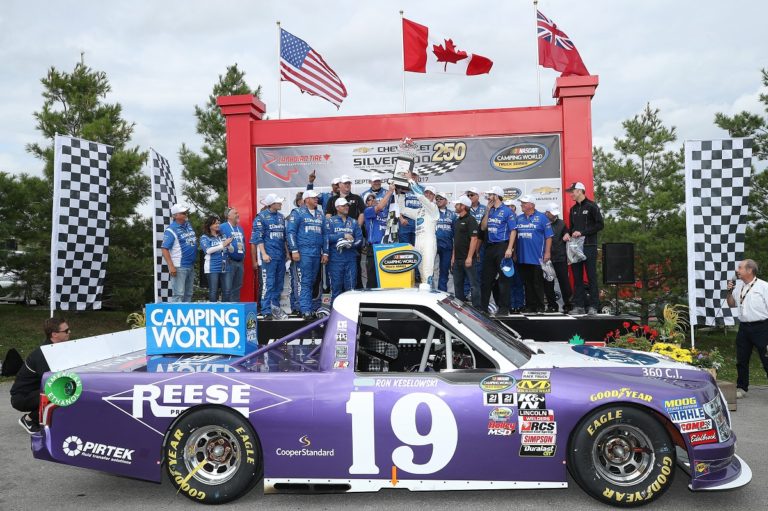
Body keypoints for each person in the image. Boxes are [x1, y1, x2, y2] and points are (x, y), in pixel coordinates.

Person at [11, 317, 71, 433]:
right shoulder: (43, 355)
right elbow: (50, 381)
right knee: (60, 390)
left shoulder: (58, 348)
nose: (69, 332)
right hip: (22, 397)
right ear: (54, 334)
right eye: (66, 331)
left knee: (65, 387)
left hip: (35, 391)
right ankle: (28, 419)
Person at [726, 259, 768, 399]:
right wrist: (729, 291)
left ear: (749, 270)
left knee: (766, 359)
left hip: (762, 327)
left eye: (740, 268)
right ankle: (742, 387)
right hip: (744, 328)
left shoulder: (763, 286)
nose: (737, 270)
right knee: (742, 359)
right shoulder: (739, 287)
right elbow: (731, 304)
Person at [564, 181, 604, 316]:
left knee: (592, 276)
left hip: (589, 246)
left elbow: (600, 225)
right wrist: (567, 234)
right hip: (576, 248)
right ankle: (579, 305)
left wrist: (583, 232)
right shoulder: (573, 209)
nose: (571, 195)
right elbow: (573, 228)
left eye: (572, 192)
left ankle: (594, 305)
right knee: (577, 277)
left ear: (580, 191)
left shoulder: (592, 206)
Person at [287, 189, 326, 319]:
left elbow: (325, 235)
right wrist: (294, 250)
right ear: (306, 200)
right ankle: (305, 310)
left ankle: (311, 308)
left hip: (316, 253)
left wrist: (325, 252)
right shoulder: (297, 212)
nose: (316, 200)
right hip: (303, 253)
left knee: (314, 282)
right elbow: (290, 232)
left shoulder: (320, 214)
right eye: (314, 198)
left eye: (317, 198)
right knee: (305, 282)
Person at [480, 186, 517, 315]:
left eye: (490, 195)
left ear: (496, 196)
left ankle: (504, 308)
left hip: (502, 247)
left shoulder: (507, 211)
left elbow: (513, 230)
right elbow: (484, 227)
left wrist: (509, 248)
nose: (488, 197)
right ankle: (483, 308)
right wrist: (487, 211)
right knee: (486, 279)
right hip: (490, 247)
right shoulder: (489, 210)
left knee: (503, 280)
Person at [397, 180, 440, 288]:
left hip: (428, 243)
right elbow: (402, 209)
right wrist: (402, 194)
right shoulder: (419, 211)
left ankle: (430, 297)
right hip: (418, 243)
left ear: (434, 196)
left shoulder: (433, 208)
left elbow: (421, 198)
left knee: (427, 272)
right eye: (426, 192)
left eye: (430, 193)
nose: (428, 195)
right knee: (421, 273)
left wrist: (411, 180)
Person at [515, 195, 553, 313]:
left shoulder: (542, 218)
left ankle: (540, 306)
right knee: (527, 284)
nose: (521, 204)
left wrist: (547, 252)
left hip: (537, 257)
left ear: (531, 205)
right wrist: (515, 253)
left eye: (524, 203)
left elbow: (549, 237)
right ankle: (530, 306)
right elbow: (514, 237)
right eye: (521, 203)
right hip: (522, 257)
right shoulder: (518, 218)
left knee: (537, 283)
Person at [325, 175, 365, 288]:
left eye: (349, 183)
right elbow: (328, 217)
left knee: (353, 277)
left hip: (352, 247)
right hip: (336, 254)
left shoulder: (357, 198)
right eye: (345, 183)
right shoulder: (332, 200)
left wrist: (355, 228)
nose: (347, 185)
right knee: (336, 284)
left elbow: (362, 213)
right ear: (340, 185)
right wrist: (341, 235)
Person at [251, 194, 287, 319]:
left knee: (279, 284)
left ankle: (275, 309)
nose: (280, 204)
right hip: (269, 256)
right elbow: (258, 238)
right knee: (268, 284)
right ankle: (266, 310)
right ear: (271, 204)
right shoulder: (261, 217)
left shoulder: (281, 217)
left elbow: (284, 237)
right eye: (278, 202)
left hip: (281, 255)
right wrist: (264, 253)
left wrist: (287, 252)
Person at [325, 198, 362, 303]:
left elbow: (360, 240)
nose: (346, 207)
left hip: (350, 259)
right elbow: (326, 238)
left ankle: (349, 315)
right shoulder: (330, 221)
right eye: (343, 205)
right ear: (337, 208)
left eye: (347, 205)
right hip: (335, 260)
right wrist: (342, 236)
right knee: (336, 288)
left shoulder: (354, 222)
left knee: (351, 289)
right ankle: (334, 315)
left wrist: (350, 245)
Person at [161, 203, 197, 302]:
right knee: (179, 294)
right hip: (179, 266)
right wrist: (171, 266)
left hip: (190, 265)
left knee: (188, 294)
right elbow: (164, 249)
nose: (185, 214)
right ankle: (176, 316)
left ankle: (186, 316)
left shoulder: (188, 225)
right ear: (175, 216)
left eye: (186, 212)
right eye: (183, 213)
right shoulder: (171, 230)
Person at [451, 195, 481, 307]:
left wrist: (469, 257)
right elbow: (456, 240)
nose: (455, 206)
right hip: (457, 259)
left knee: (474, 285)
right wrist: (453, 257)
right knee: (458, 285)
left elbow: (474, 239)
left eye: (457, 204)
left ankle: (478, 309)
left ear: (463, 206)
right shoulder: (457, 221)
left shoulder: (471, 220)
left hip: (468, 259)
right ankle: (459, 307)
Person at [364, 187, 396, 287]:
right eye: (369, 199)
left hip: (386, 248)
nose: (373, 200)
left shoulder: (384, 213)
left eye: (374, 198)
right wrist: (390, 191)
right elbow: (380, 207)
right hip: (374, 249)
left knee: (385, 280)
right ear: (366, 203)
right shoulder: (368, 211)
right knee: (373, 281)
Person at [544, 203, 573, 313]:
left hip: (560, 257)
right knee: (548, 282)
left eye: (555, 214)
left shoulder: (561, 223)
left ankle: (568, 304)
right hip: (546, 258)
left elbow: (566, 231)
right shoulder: (542, 222)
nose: (555, 216)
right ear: (547, 213)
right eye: (552, 213)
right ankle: (552, 305)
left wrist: (567, 233)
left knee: (564, 281)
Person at [199, 215, 233, 302]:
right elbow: (208, 250)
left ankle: (225, 310)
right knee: (214, 291)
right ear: (210, 225)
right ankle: (213, 310)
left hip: (225, 266)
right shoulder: (204, 237)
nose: (218, 225)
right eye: (215, 224)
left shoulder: (222, 236)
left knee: (227, 290)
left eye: (218, 223)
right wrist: (222, 245)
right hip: (212, 267)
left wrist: (229, 246)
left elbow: (231, 251)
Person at [219, 207, 245, 301]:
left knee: (237, 288)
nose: (238, 214)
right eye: (235, 213)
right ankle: (225, 310)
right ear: (228, 216)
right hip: (228, 261)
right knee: (227, 288)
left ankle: (235, 310)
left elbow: (243, 243)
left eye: (238, 213)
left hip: (240, 262)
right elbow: (218, 241)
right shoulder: (222, 227)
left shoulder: (240, 229)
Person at [504, 199, 525, 313]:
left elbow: (517, 239)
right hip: (506, 254)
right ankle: (511, 304)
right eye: (508, 206)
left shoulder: (519, 219)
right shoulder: (503, 220)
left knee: (519, 281)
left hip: (518, 254)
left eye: (512, 206)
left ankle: (520, 304)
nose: (510, 208)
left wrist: (515, 253)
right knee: (509, 280)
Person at [465, 187, 487, 299]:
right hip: (466, 242)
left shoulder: (485, 209)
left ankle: (477, 294)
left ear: (478, 196)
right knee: (466, 267)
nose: (469, 197)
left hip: (481, 242)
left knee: (478, 269)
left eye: (472, 195)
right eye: (468, 195)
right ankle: (465, 294)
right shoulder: (464, 209)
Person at [435, 191, 456, 292]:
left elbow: (456, 234)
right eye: (437, 199)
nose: (438, 200)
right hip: (433, 245)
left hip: (447, 246)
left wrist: (454, 252)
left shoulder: (452, 215)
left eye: (441, 199)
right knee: (430, 270)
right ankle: (429, 292)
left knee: (444, 271)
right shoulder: (432, 211)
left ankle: (442, 291)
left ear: (446, 201)